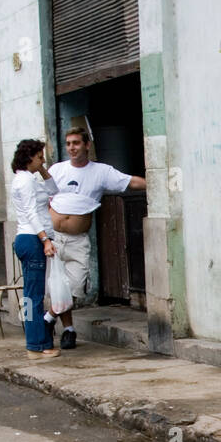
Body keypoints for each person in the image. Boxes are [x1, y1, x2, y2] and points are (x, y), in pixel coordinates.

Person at [46, 127, 146, 349]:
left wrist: (157, 183)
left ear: (87, 145)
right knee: (59, 287)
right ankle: (69, 331)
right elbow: (42, 197)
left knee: (76, 287)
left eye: (77, 143)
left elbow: (130, 182)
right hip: (54, 239)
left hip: (77, 240)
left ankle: (48, 317)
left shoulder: (100, 171)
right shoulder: (57, 170)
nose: (72, 148)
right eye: (69, 143)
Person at [9, 139, 61, 359]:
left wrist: (41, 169)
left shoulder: (27, 178)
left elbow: (53, 190)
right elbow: (32, 213)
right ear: (29, 157)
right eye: (40, 157)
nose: (43, 160)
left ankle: (37, 343)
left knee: (32, 296)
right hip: (32, 239)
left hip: (29, 239)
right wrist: (45, 239)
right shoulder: (25, 181)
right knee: (33, 297)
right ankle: (36, 345)